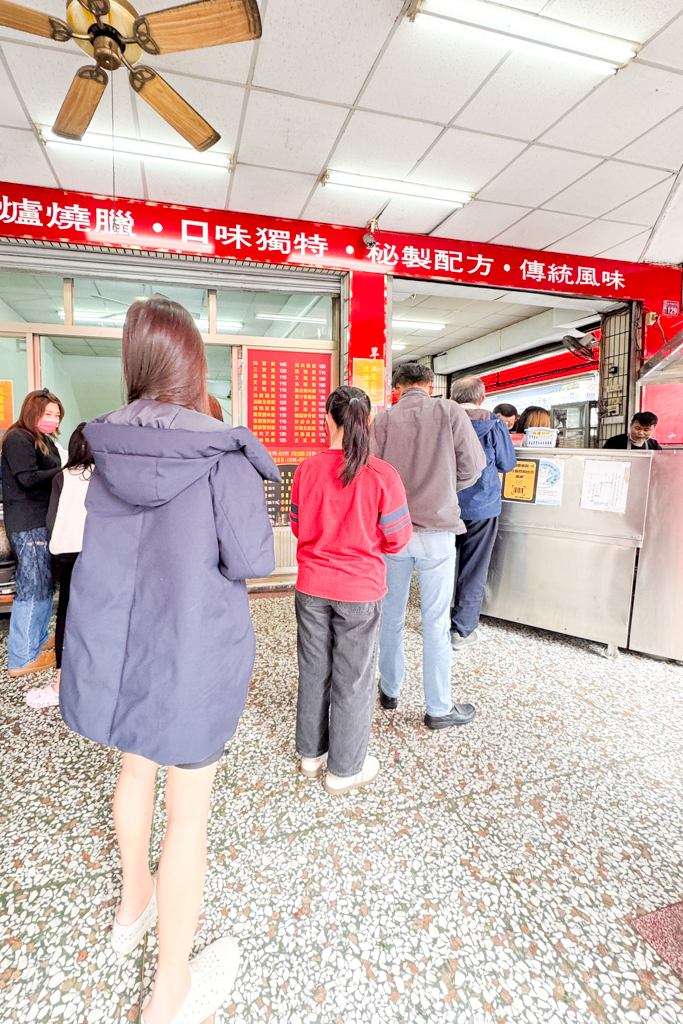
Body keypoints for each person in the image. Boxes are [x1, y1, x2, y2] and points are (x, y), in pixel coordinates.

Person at [59, 297, 279, 1024]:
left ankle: (133, 909)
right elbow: (252, 557)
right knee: (188, 818)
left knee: (132, 773)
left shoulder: (100, 443)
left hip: (122, 653)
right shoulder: (222, 451)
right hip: (191, 654)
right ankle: (170, 990)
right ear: (194, 365)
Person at [291, 386, 412, 796]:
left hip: (310, 587)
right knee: (354, 679)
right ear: (368, 422)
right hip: (360, 591)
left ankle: (311, 755)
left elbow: (297, 525)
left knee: (314, 669)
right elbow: (397, 539)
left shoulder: (307, 469)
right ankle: (344, 771)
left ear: (328, 420)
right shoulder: (383, 475)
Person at [371, 363, 486, 730]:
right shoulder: (450, 411)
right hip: (437, 530)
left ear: (396, 387)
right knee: (435, 622)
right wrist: (445, 488)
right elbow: (473, 467)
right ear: (430, 384)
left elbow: (370, 472)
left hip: (394, 531)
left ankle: (389, 690)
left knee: (391, 614)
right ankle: (438, 708)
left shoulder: (383, 420)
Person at [25, 423, 94, 709]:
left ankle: (61, 683)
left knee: (67, 614)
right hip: (98, 553)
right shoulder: (105, 476)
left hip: (68, 553)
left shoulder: (63, 476)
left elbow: (52, 518)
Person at [450, 377, 517, 649]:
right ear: (482, 398)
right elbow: (507, 463)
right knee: (474, 567)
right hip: (482, 504)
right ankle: (462, 631)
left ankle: (436, 621)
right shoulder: (495, 424)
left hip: (445, 504)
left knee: (440, 564)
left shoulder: (445, 420)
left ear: (453, 397)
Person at [1, 389, 64, 678]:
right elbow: (27, 479)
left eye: (57, 415)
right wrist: (67, 470)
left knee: (43, 585)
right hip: (28, 523)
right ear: (32, 412)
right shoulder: (18, 438)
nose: (53, 419)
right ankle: (22, 656)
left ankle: (37, 641)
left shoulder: (44, 440)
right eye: (48, 414)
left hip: (43, 522)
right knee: (32, 586)